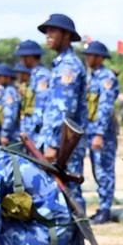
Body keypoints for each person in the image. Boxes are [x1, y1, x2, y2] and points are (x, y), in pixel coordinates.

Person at [37, 13, 88, 214]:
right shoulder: (60, 64)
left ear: (67, 35)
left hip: (65, 145)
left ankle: (76, 241)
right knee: (59, 193)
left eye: (52, 30)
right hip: (60, 141)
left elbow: (63, 109)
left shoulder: (68, 66)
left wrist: (52, 145)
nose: (47, 35)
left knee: (68, 192)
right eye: (46, 31)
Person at [82, 40, 119, 224]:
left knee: (104, 171)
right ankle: (102, 206)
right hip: (91, 131)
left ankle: (106, 208)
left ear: (99, 57)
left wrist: (99, 134)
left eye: (89, 55)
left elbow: (104, 108)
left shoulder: (106, 78)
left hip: (102, 134)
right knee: (97, 171)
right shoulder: (93, 77)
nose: (87, 58)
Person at [15, 39, 52, 141]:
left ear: (29, 57)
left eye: (23, 57)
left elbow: (41, 104)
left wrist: (34, 129)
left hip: (38, 131)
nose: (22, 60)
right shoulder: (35, 75)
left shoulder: (42, 75)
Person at [0, 64, 21, 146]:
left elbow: (9, 115)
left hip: (9, 136)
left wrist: (4, 134)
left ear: (8, 77)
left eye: (0, 76)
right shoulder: (1, 91)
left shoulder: (9, 91)